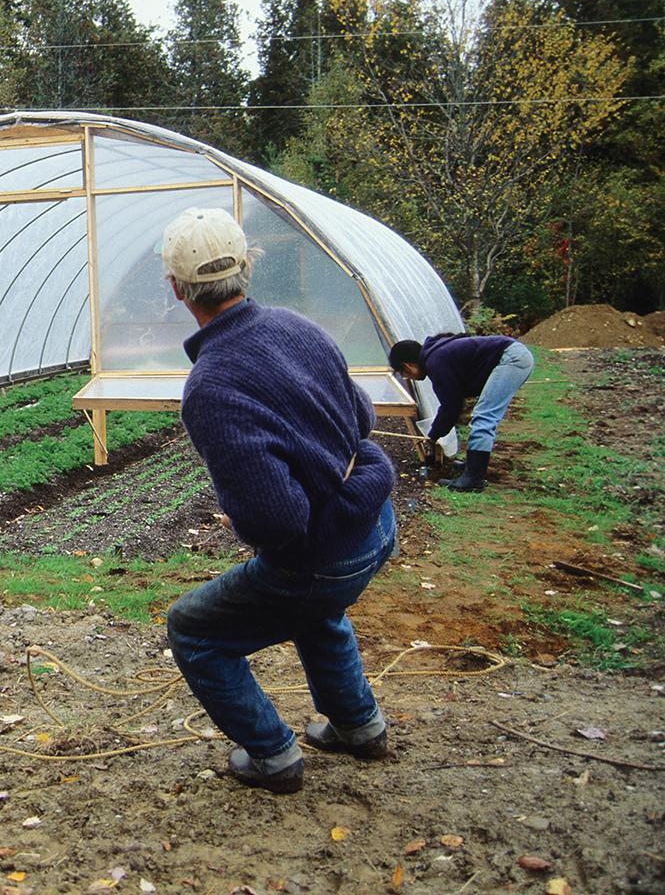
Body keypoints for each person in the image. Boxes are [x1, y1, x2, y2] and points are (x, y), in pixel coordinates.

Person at [161, 208, 398, 794]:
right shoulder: (299, 327)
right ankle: (358, 726)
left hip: (323, 557)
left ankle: (272, 756)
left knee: (194, 629)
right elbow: (362, 417)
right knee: (316, 608)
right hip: (374, 525)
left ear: (175, 288)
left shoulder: (212, 383)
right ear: (247, 267)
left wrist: (241, 516)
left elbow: (278, 521)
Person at [387, 334, 534, 492]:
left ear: (407, 366)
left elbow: (451, 406)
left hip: (511, 359)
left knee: (484, 416)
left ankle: (473, 478)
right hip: (512, 354)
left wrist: (433, 435)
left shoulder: (436, 362)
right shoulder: (435, 354)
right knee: (483, 415)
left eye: (403, 374)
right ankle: (473, 465)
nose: (407, 377)